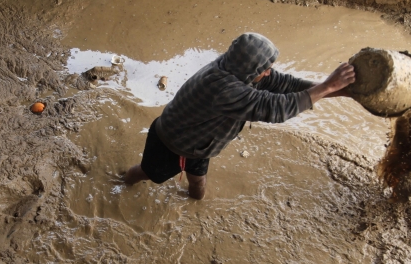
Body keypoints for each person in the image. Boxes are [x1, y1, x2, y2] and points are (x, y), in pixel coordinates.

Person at [123, 32, 356, 200]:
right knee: (146, 173)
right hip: (171, 144)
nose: (268, 72)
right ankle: (120, 183)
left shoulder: (237, 66)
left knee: (198, 183)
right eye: (265, 68)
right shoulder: (223, 89)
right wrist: (326, 88)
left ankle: (195, 204)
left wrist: (336, 89)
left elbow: (286, 85)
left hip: (199, 146)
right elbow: (276, 108)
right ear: (251, 69)